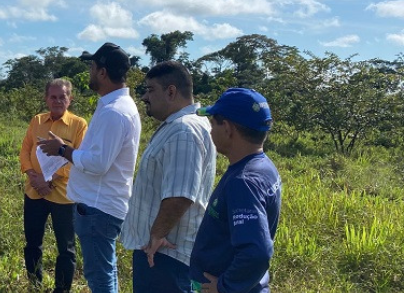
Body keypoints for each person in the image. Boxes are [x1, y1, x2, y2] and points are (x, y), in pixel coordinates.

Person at [39, 42, 142, 293]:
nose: (90, 73)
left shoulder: (115, 112)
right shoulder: (112, 106)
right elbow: (98, 155)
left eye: (93, 67)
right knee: (106, 272)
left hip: (99, 209)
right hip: (101, 206)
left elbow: (98, 163)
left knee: (99, 278)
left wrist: (63, 150)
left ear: (103, 72)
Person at [120, 61, 216, 292]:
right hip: (160, 252)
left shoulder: (184, 130)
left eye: (150, 89)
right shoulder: (178, 126)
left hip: (165, 254)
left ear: (171, 91)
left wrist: (156, 236)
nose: (144, 97)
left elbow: (180, 194)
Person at [189, 88, 282, 293]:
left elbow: (257, 252)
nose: (211, 130)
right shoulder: (264, 166)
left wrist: (224, 287)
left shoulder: (244, 181)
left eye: (213, 123)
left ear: (228, 128)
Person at [19, 78, 88, 292]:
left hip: (64, 195)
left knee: (66, 248)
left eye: (62, 96)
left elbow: (78, 158)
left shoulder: (79, 125)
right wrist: (33, 176)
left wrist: (49, 179)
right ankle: (35, 284)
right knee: (32, 242)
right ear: (46, 99)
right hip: (34, 192)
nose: (58, 101)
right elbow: (25, 150)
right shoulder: (37, 120)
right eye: (53, 96)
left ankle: (62, 289)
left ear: (70, 99)